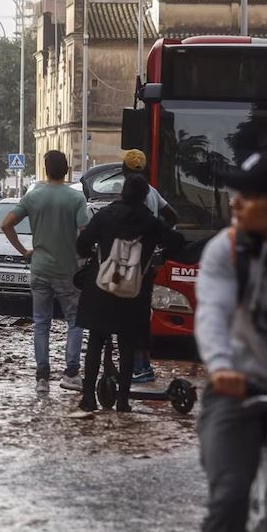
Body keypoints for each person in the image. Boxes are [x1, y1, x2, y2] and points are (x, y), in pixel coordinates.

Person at [195, 149, 267, 532]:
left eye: (248, 196)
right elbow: (211, 313)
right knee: (229, 497)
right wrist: (220, 366)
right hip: (236, 386)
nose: (234, 202)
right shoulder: (227, 250)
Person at [74, 174, 184, 412]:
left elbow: (82, 243)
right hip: (134, 292)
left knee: (95, 341)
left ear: (122, 192)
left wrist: (98, 252)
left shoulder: (104, 216)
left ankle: (89, 398)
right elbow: (177, 242)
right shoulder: (151, 222)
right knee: (127, 344)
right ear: (145, 196)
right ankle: (123, 401)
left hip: (101, 289)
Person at [1, 151, 90, 393]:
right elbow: (85, 230)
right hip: (67, 270)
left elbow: (6, 224)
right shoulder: (76, 199)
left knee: (41, 323)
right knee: (74, 321)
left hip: (38, 267)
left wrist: (24, 251)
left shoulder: (33, 196)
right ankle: (71, 373)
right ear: (67, 170)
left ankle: (42, 378)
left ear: (45, 169)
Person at [121, 149, 180, 383]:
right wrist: (160, 241)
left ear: (124, 170)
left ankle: (138, 367)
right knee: (141, 315)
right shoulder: (153, 192)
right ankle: (141, 365)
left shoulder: (133, 195)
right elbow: (172, 215)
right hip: (147, 263)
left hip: (130, 264)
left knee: (130, 317)